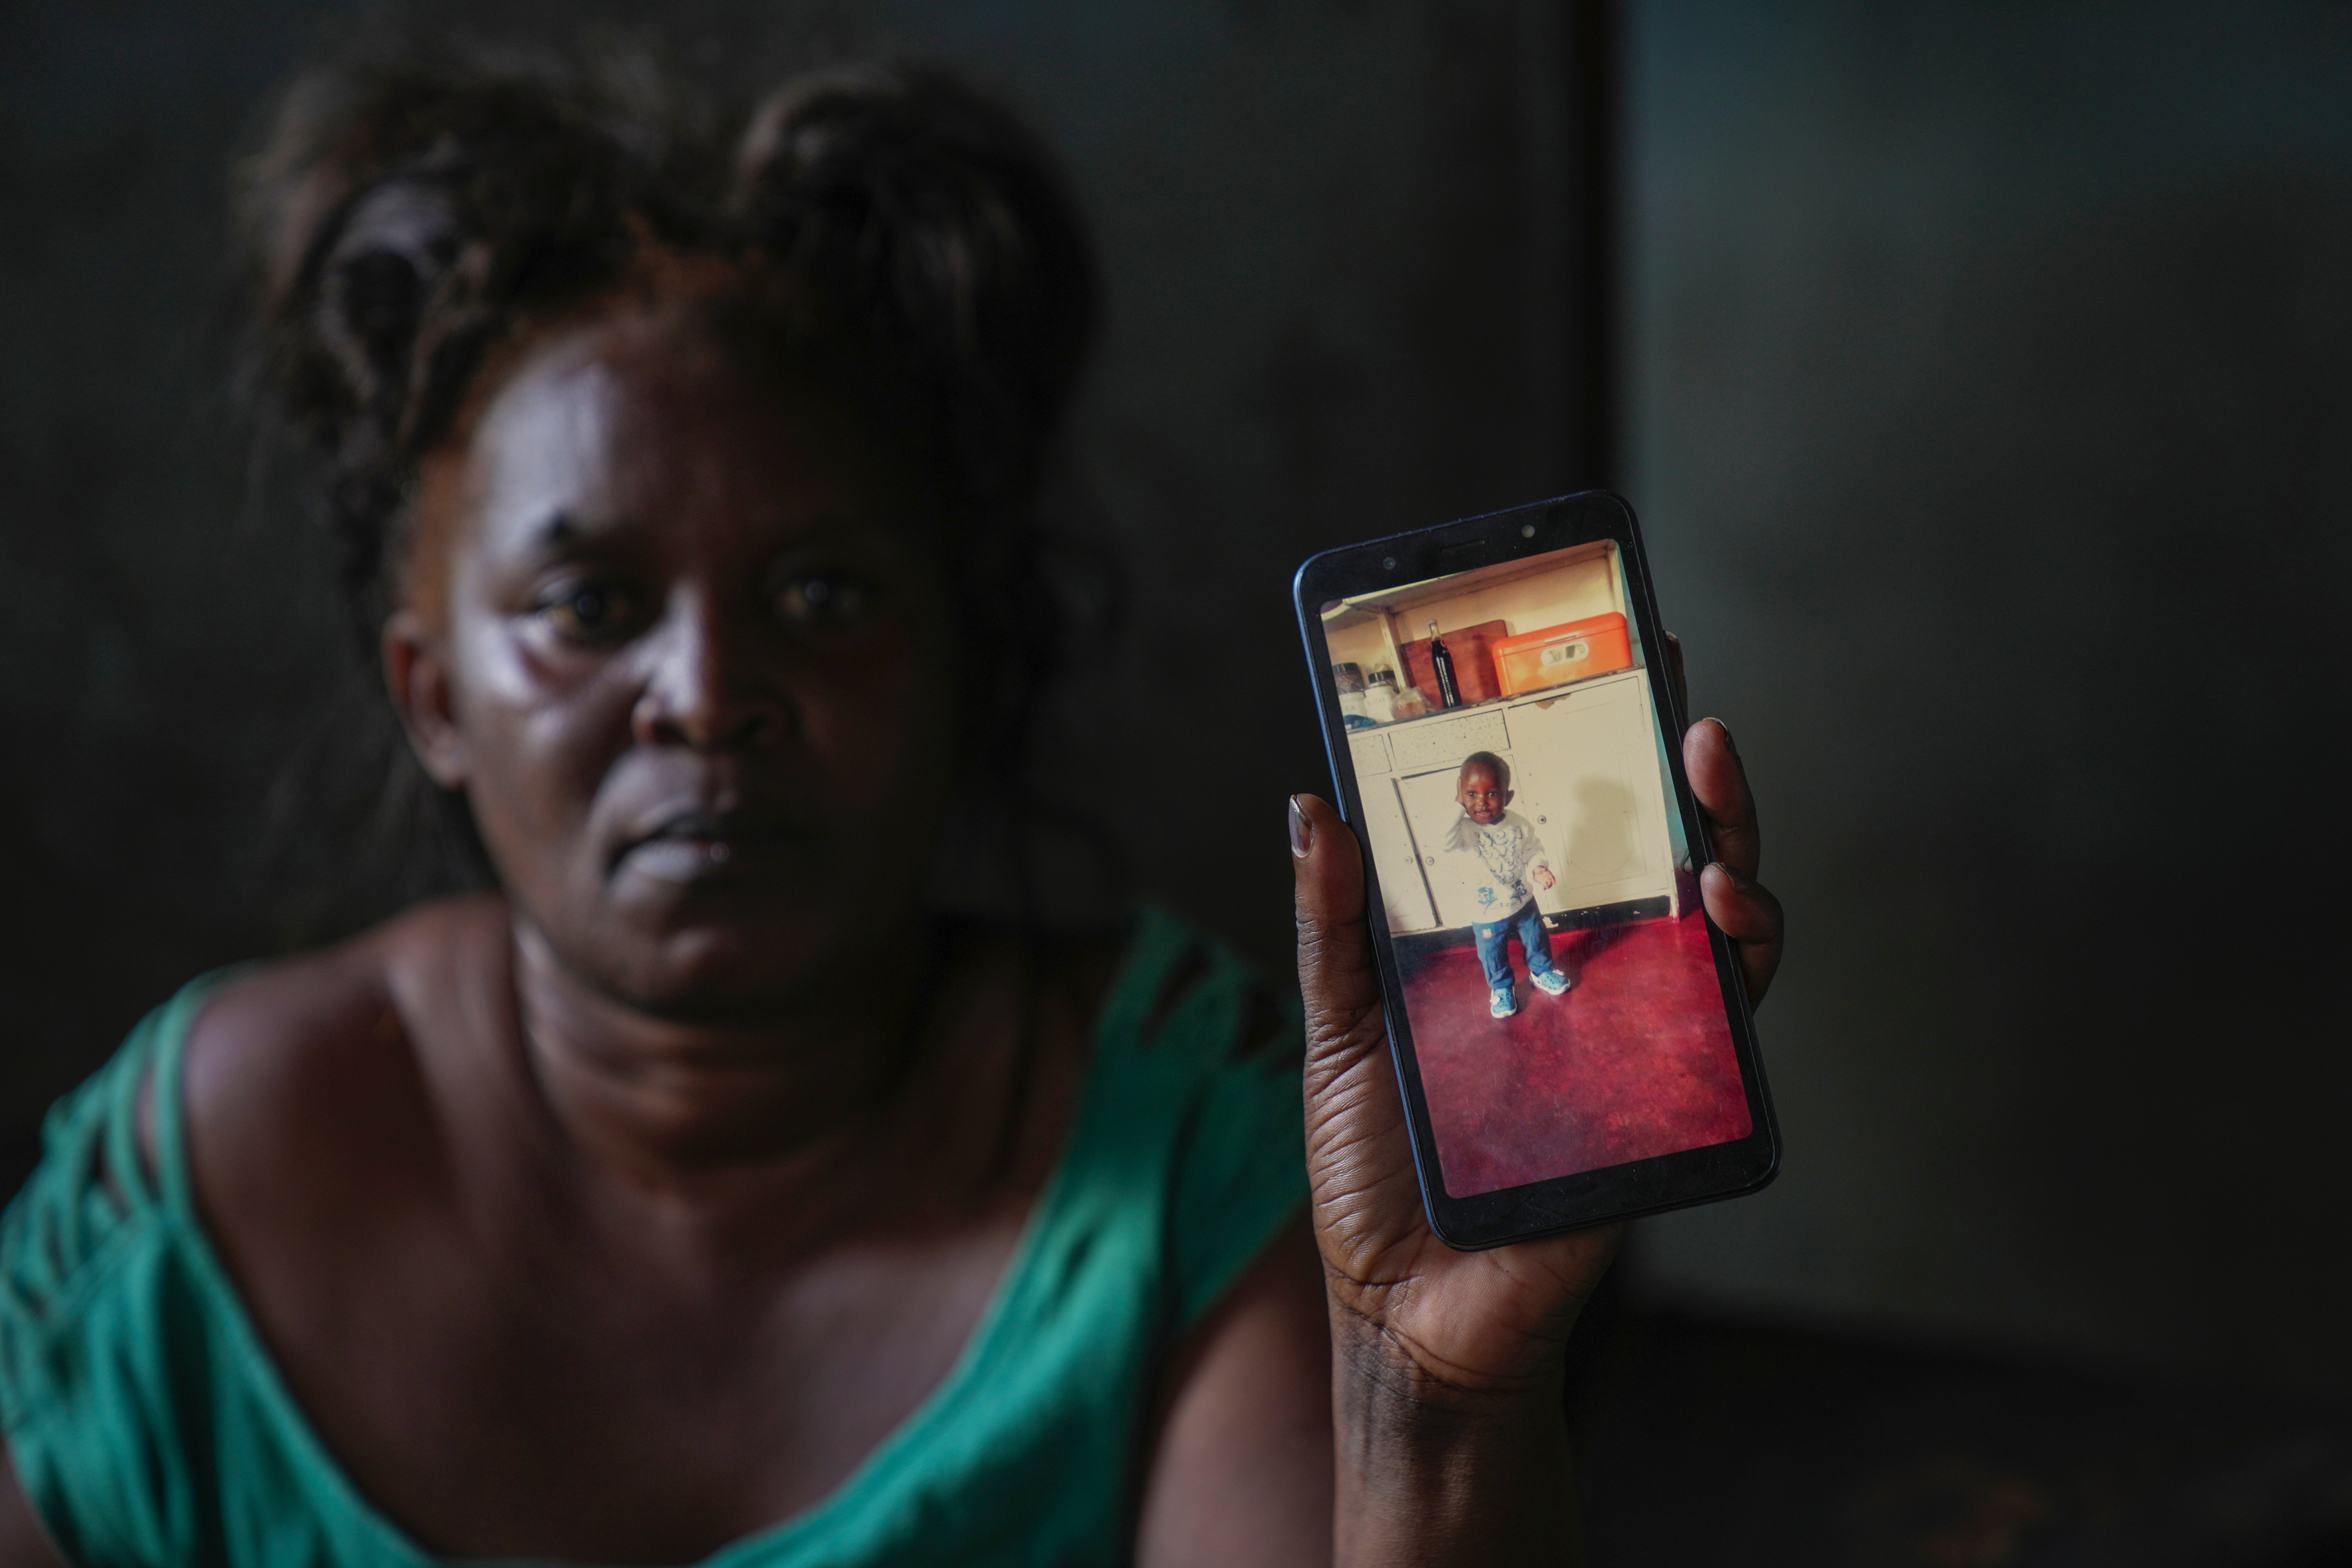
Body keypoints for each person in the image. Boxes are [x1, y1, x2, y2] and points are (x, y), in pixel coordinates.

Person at [0, 39, 1785, 1568]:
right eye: (589, 605)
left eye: (823, 594)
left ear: (967, 661)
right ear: (434, 696)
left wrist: (1432, 1395)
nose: (708, 693)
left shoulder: (1198, 1165)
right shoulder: (194, 1187)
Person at [1445, 751, 1570, 1018]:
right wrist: (1458, 803)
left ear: (1508, 797)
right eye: (1471, 794)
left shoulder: (1517, 824)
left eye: (1492, 794)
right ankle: (1501, 987)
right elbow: (1443, 840)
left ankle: (1541, 972)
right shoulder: (1463, 831)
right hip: (1487, 911)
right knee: (1493, 953)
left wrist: (1538, 868)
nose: (1481, 802)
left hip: (1522, 899)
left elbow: (1532, 849)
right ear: (1461, 795)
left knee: (1536, 937)